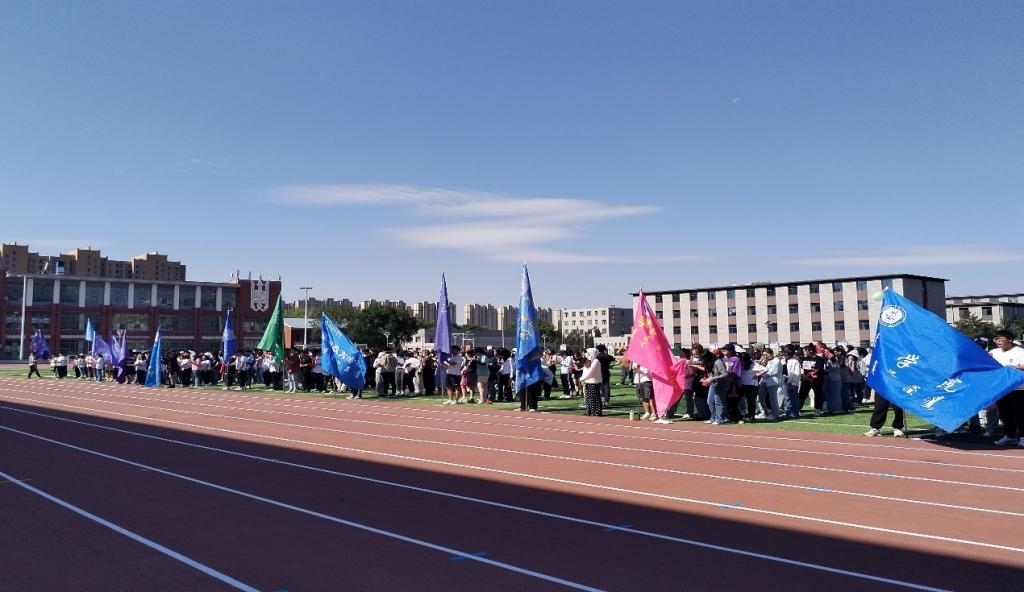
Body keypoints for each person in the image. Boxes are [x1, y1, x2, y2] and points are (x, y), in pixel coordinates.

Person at [990, 330, 1024, 446]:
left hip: (1018, 388)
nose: (998, 341)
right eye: (996, 339)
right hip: (1002, 388)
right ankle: (1010, 436)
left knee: (1020, 414)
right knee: (1005, 414)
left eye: (1001, 339)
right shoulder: (993, 352)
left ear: (1010, 340)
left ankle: (1023, 437)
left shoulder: (1020, 352)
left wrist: (1014, 366)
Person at [581, 348, 604, 416]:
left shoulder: (596, 362)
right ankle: (589, 411)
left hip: (594, 382)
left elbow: (590, 372)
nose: (586, 354)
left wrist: (582, 379)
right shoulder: (589, 361)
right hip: (587, 381)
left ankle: (596, 411)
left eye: (588, 353)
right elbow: (585, 371)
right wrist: (583, 379)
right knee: (588, 398)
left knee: (594, 397)